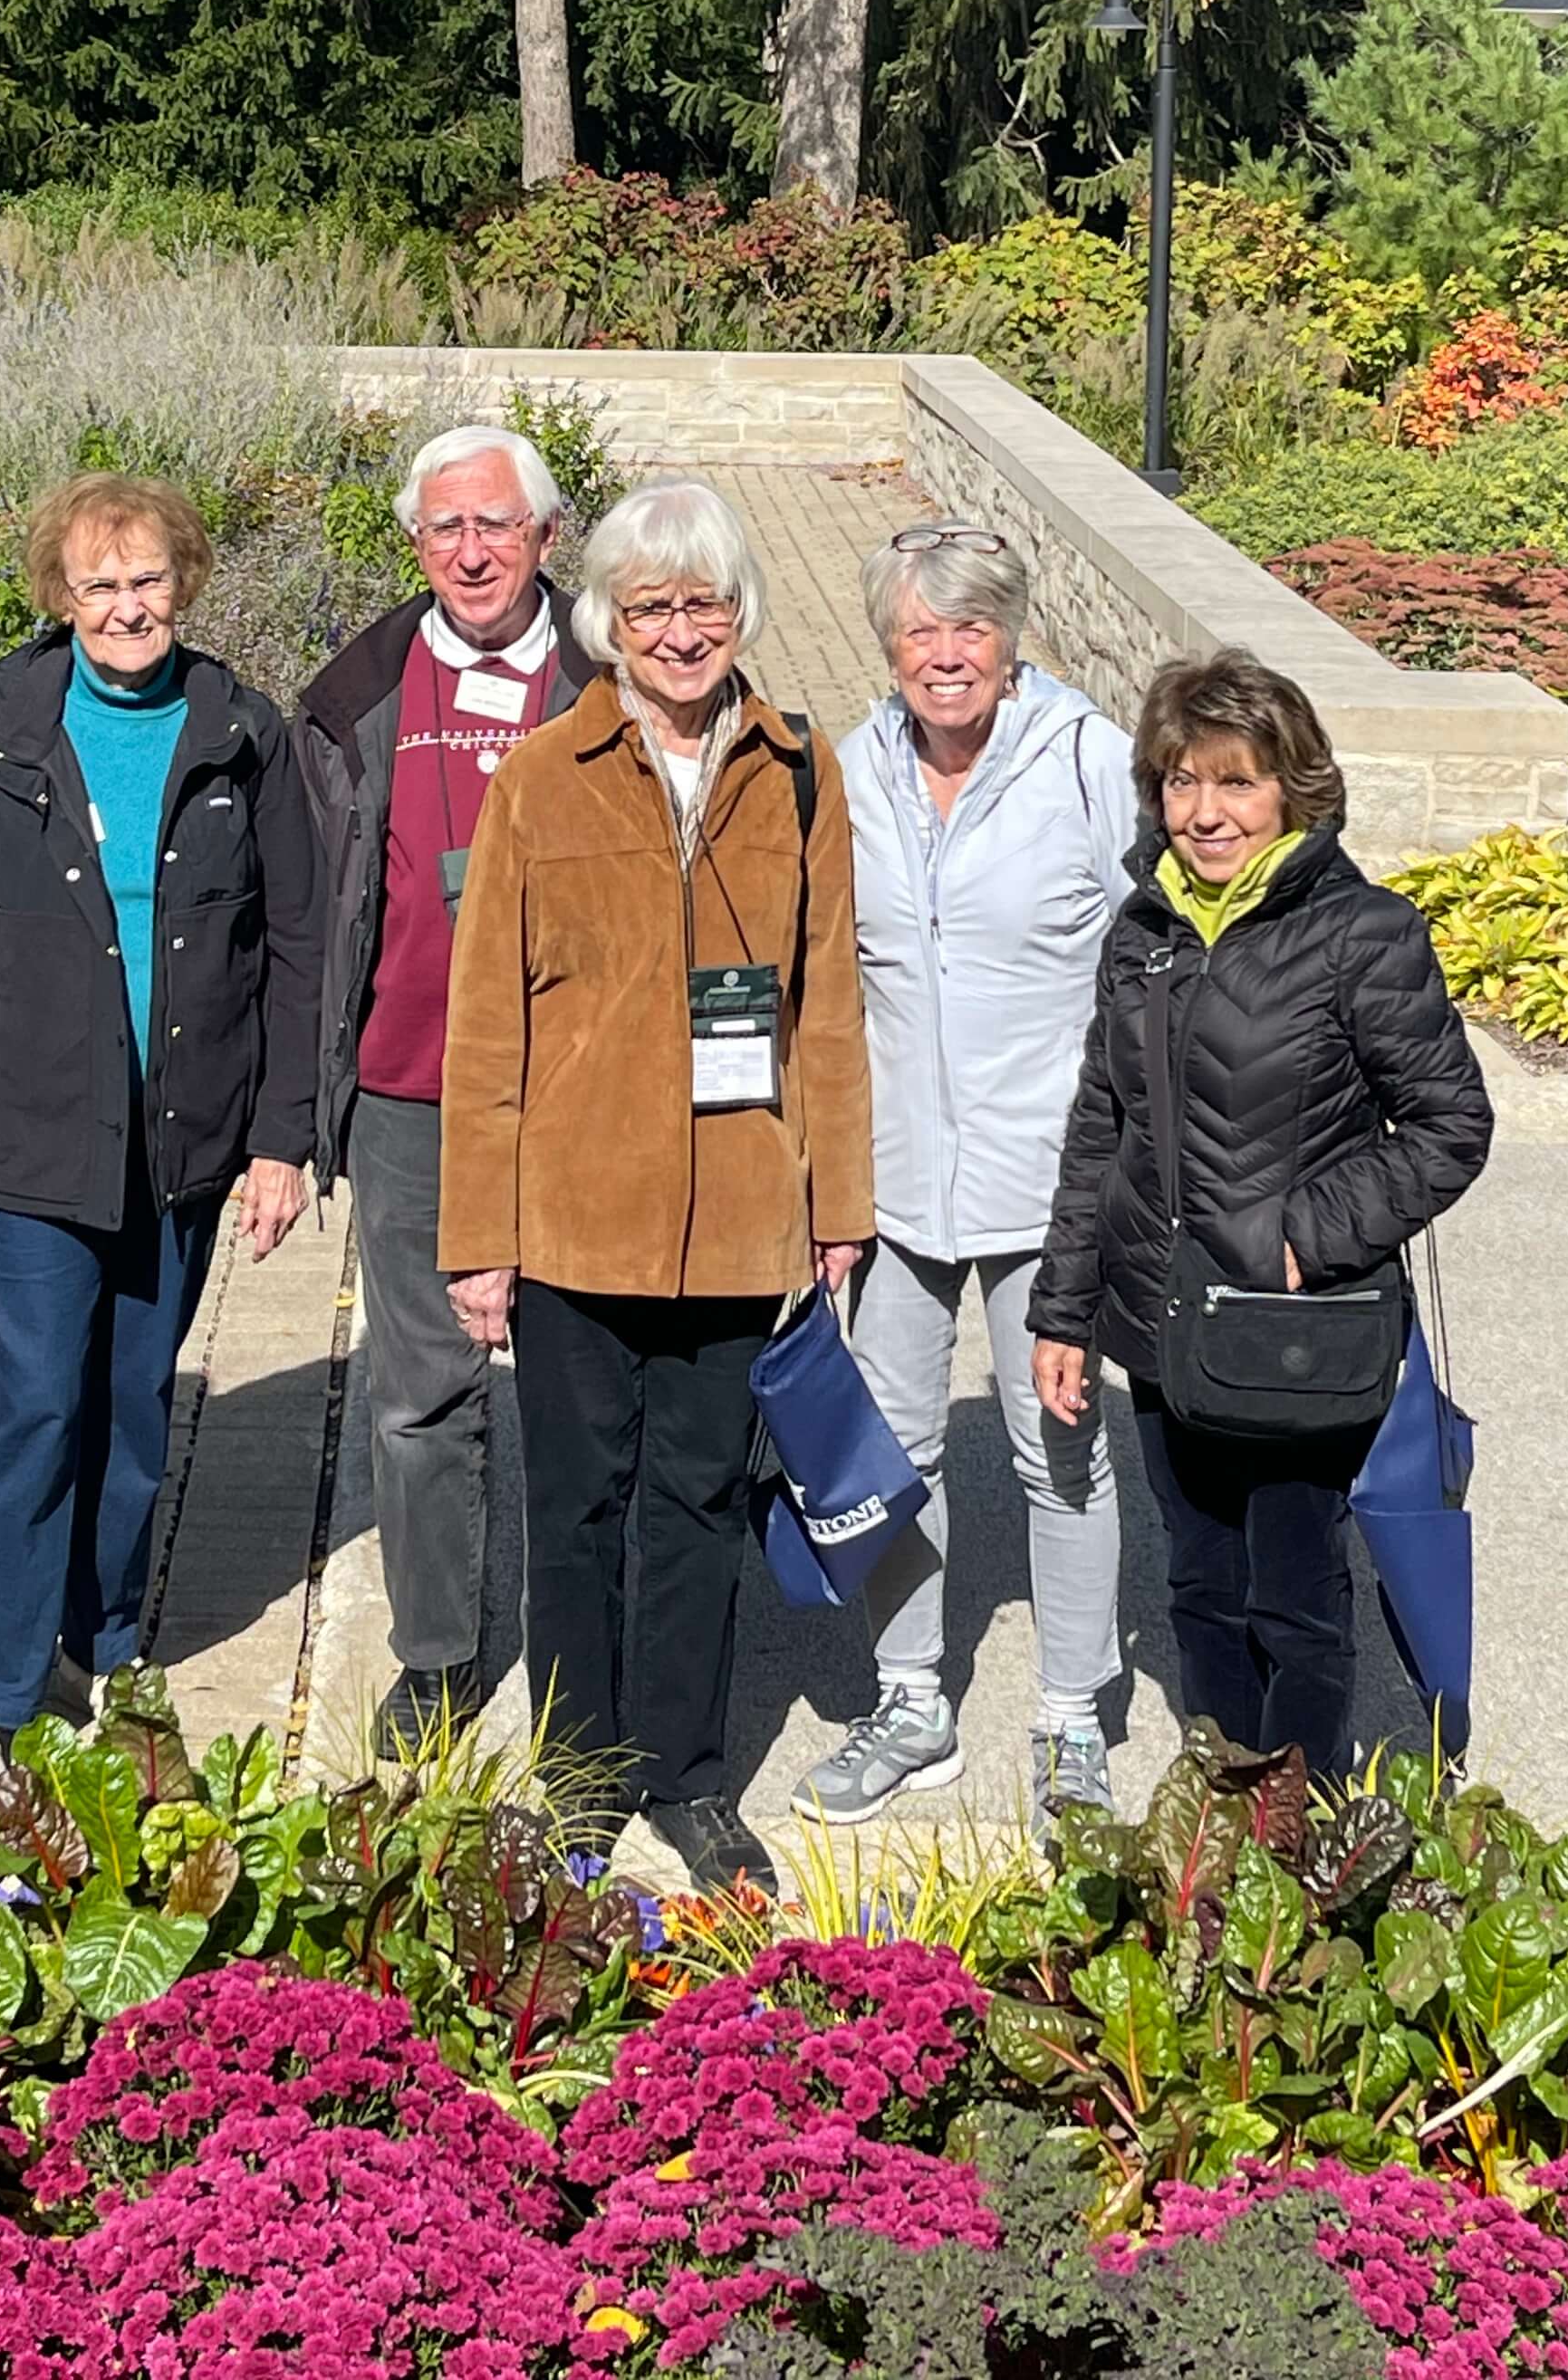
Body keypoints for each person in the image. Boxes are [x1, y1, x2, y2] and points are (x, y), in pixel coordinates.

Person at [440, 475, 872, 1898]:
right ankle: (576, 1781)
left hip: (743, 1222)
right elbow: (487, 1019)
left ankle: (688, 1778)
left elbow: (825, 1010)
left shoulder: (799, 770)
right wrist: (478, 1240)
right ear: (609, 622)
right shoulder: (541, 777)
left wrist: (839, 1206)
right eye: (654, 607)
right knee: (574, 1512)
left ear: (743, 612)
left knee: (697, 1510)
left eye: (706, 603)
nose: (683, 633)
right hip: (574, 1217)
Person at [0, 475, 324, 1812]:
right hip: (24, 1129)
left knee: (136, 1408)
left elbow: (299, 950)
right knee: (36, 1396)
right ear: (60, 597)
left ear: (182, 584)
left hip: (181, 1138)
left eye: (147, 580)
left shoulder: (241, 733)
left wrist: (282, 1141)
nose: (127, 607)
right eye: (100, 585)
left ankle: (101, 1648)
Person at [1031, 650, 1492, 1777]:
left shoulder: (1362, 933)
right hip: (1162, 1319)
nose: (1206, 812)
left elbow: (1448, 1126)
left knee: (1293, 1596)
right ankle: (1223, 1814)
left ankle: (1304, 1829)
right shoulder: (1143, 932)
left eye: (1236, 783)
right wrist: (1065, 1310)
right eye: (1182, 783)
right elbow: (1104, 1127)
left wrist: (1304, 1240)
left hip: (1300, 1330)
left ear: (1293, 787)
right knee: (1197, 1584)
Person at [801, 523, 1135, 1828]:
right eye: (920, 633)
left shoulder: (1087, 760)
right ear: (889, 647)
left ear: (1012, 639)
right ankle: (909, 1697)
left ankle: (1069, 1716)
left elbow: (1150, 951)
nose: (947, 655)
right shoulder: (851, 767)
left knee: (1059, 1447)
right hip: (893, 1179)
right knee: (892, 1448)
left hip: (1053, 1176)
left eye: (972, 629)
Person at [296, 423, 592, 1750]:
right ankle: (440, 1653)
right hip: (409, 1089)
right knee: (421, 1395)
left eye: (497, 526)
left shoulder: (619, 673)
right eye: (445, 531)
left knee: (589, 1390)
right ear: (417, 545)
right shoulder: (357, 689)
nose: (472, 553)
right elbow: (308, 913)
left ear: (546, 537)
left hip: (587, 1095)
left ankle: (595, 1656)